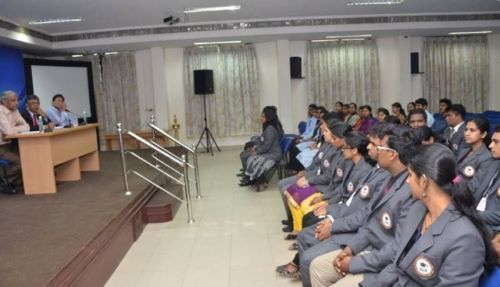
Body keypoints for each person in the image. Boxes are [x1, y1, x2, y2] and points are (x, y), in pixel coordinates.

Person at [360, 144, 496, 287]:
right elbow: (399, 264)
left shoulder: (465, 238)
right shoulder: (417, 209)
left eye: (410, 175)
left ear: (423, 181)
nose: (407, 181)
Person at [305, 125, 418, 287]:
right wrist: (351, 248)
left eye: (378, 147)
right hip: (366, 243)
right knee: (317, 267)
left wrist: (354, 262)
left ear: (392, 154)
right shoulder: (388, 178)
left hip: (381, 257)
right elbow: (369, 216)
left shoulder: (409, 189)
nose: (371, 149)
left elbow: (397, 246)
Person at [276, 130, 377, 279]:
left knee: (310, 219)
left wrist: (329, 209)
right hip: (341, 204)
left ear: (355, 150)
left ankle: (301, 264)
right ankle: (301, 265)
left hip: (345, 212)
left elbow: (353, 204)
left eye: (346, 147)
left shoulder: (366, 171)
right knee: (307, 223)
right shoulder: (351, 163)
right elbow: (342, 190)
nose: (343, 149)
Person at [239, 107, 283, 191]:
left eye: (263, 116)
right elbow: (262, 141)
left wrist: (257, 152)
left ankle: (258, 180)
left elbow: (267, 146)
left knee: (253, 158)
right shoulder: (267, 127)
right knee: (251, 157)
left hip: (273, 154)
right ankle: (252, 178)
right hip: (268, 152)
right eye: (261, 116)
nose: (260, 118)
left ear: (268, 117)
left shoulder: (270, 129)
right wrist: (255, 148)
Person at [456, 116, 495, 203]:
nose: (467, 133)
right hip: (454, 190)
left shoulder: (486, 157)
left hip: (465, 198)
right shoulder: (464, 151)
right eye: (466, 129)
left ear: (483, 134)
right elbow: (456, 172)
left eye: (472, 130)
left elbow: (473, 186)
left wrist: (453, 182)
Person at [0, 90, 30, 189]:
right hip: (1, 147)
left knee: (29, 158)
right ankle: (4, 179)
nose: (17, 103)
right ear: (5, 102)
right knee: (20, 162)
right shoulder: (0, 111)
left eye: (17, 100)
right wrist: (15, 129)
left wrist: (14, 129)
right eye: (13, 100)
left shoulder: (15, 111)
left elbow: (27, 127)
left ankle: (15, 181)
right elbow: (8, 132)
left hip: (9, 144)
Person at [476, 125, 500, 232]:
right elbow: (477, 191)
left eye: (496, 142)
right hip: (477, 215)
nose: (490, 145)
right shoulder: (494, 163)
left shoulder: (487, 159)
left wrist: (472, 215)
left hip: (491, 228)